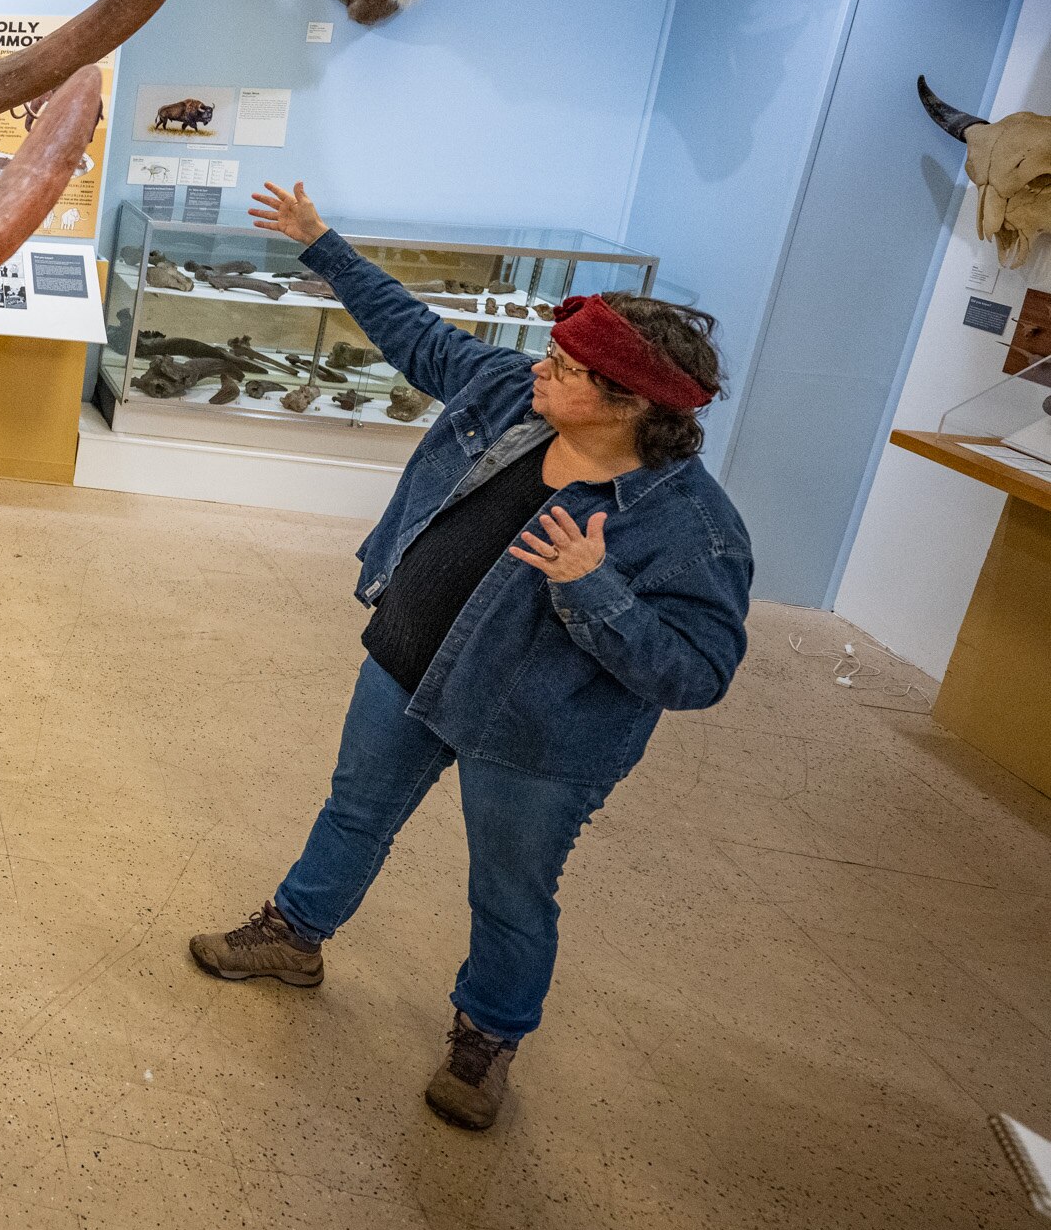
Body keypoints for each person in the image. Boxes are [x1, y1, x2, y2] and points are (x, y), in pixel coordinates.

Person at [188, 180, 749, 1131]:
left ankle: (486, 1037)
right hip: (406, 661)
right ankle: (295, 935)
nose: (542, 368)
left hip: (534, 735)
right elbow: (416, 334)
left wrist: (593, 590)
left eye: (567, 367)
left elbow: (696, 674)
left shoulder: (695, 531)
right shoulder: (509, 399)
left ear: (627, 403)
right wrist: (321, 241)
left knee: (512, 889)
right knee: (355, 809)